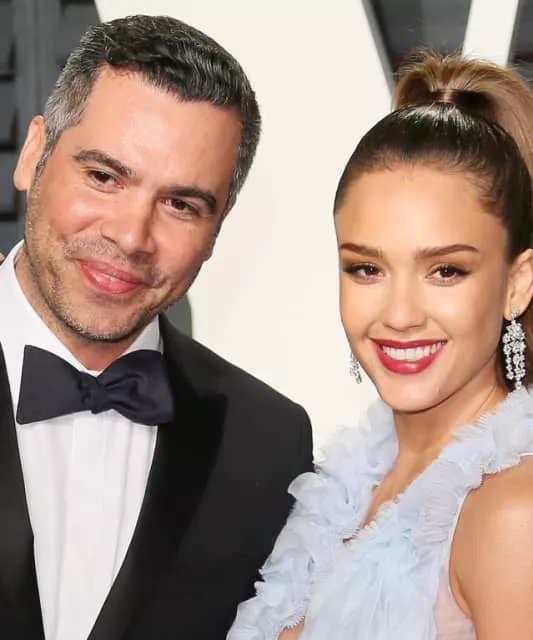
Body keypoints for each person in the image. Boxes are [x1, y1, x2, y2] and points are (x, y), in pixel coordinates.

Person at [0, 14, 313, 640]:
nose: (131, 236)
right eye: (104, 177)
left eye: (180, 205)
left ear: (218, 229)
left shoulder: (266, 443)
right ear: (34, 154)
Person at [228, 49, 533, 639]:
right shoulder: (343, 490)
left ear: (517, 283)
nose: (399, 315)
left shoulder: (512, 514)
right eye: (366, 269)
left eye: (445, 271)